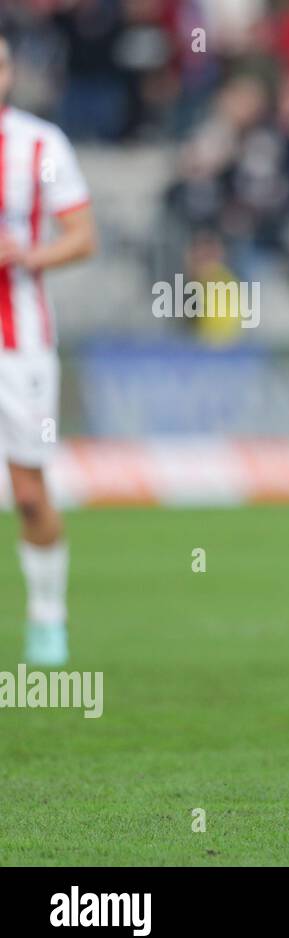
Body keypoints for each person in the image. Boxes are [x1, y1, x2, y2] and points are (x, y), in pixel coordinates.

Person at [0, 33, 98, 666]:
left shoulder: (40, 144)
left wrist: (26, 254)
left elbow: (83, 237)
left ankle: (46, 617)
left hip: (21, 341)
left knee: (29, 493)